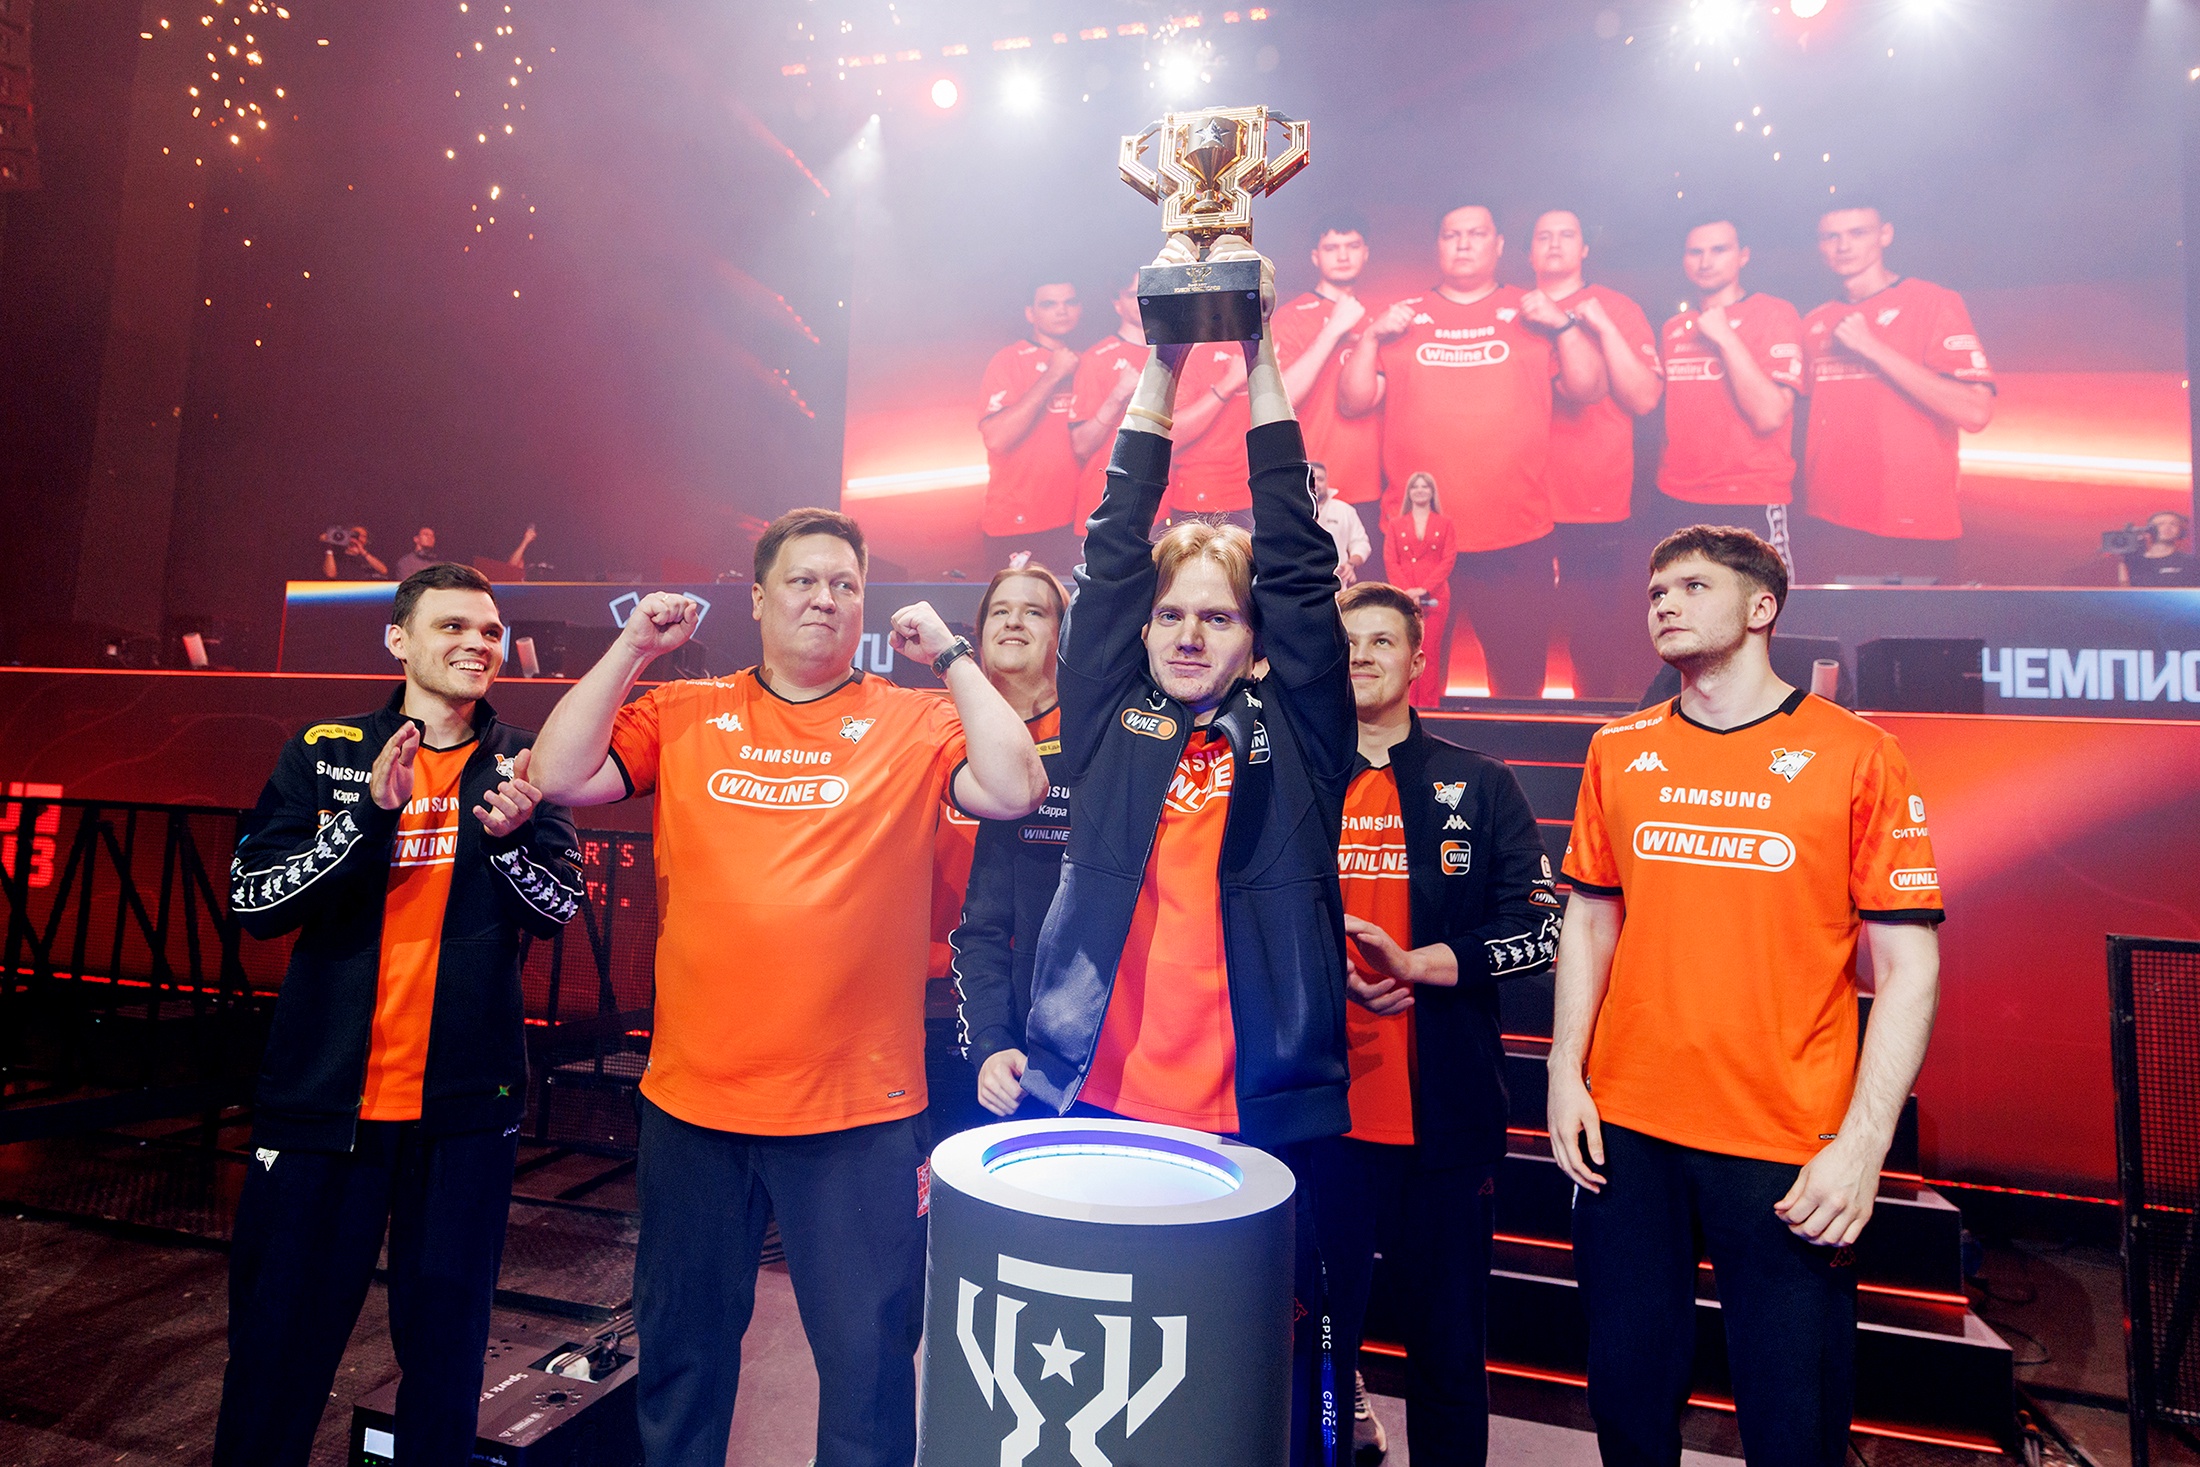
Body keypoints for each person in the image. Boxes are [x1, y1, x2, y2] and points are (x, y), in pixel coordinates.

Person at [525, 508, 1047, 1467]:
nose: (825, 598)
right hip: (695, 1107)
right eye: (803, 580)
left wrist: (953, 657)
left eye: (846, 584)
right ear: (760, 599)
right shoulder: (686, 709)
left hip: (858, 1113)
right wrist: (633, 647)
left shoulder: (912, 716)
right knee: (681, 1360)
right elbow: (558, 772)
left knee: (868, 1370)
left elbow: (1017, 789)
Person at [984, 233, 1356, 1463]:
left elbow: (1296, 557)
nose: (1190, 635)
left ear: (1256, 638)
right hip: (1096, 1091)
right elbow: (1108, 549)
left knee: (1243, 1401)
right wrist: (1161, 362)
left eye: (1219, 617)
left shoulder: (1298, 731)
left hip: (1255, 1108)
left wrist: (1255, 358)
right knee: (1109, 1382)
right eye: (1172, 615)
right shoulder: (1110, 718)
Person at [1548, 525, 1944, 1467]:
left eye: (1693, 586)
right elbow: (1590, 921)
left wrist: (1863, 1146)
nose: (1665, 603)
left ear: (1762, 607)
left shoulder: (1859, 754)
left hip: (1785, 1142)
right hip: (1627, 1131)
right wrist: (1565, 1070)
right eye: (1657, 591)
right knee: (1627, 1401)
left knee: (1793, 1422)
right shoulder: (1618, 748)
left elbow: (1908, 967)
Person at [216, 563, 584, 1467]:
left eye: (490, 630)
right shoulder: (326, 748)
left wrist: (507, 845)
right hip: (320, 1109)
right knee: (274, 1357)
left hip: (463, 1116)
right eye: (453, 625)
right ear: (399, 639)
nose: (477, 643)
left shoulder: (528, 759)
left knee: (447, 1369)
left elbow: (560, 907)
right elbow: (254, 900)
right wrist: (365, 821)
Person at [1312, 580, 1562, 1467]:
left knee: (1449, 1348)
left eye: (1383, 641)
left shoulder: (1482, 784)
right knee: (1317, 1348)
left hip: (1446, 1122)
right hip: (1318, 1117)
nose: (1362, 655)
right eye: (1347, 641)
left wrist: (1424, 963)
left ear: (1419, 660)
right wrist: (1329, 973)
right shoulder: (1288, 780)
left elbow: (1540, 928)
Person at [1340, 204, 1606, 699]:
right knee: (1410, 684)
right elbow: (1353, 402)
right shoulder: (1402, 316)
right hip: (1417, 539)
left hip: (1516, 532)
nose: (1463, 243)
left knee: (1519, 684)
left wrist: (1564, 325)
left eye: (1476, 233)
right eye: (1451, 234)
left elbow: (1588, 389)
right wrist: (1373, 335)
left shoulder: (1533, 310)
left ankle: (1511, 753)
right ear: (1438, 246)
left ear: (1498, 244)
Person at [926, 562, 1070, 1143]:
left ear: (1062, 633)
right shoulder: (934, 724)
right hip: (917, 1003)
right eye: (1001, 611)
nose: (1014, 621)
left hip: (1016, 1026)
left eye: (1034, 611)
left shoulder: (1088, 743)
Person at [1800, 204, 1996, 581]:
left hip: (1913, 521)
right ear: (1820, 246)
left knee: (1916, 622)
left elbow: (1975, 411)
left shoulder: (1933, 302)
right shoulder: (1814, 322)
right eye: (1831, 237)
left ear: (1885, 235)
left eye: (1858, 233)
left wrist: (1872, 347)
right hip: (1830, 517)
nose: (1844, 246)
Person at [1530, 209, 1664, 700]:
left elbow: (1644, 399)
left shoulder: (1616, 308)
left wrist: (1601, 328)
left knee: (1594, 636)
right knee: (1522, 635)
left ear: (1584, 247)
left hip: (1593, 495)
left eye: (1567, 235)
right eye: (1544, 236)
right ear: (1529, 250)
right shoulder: (1513, 310)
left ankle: (1592, 726)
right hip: (1522, 500)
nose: (1555, 244)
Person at [1653, 218, 1810, 573]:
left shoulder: (1774, 314)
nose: (1705, 261)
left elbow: (1769, 415)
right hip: (1677, 493)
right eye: (1696, 252)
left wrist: (1724, 336)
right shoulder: (1673, 328)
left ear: (1743, 256)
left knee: (1761, 603)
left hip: (1749, 494)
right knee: (1686, 602)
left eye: (1719, 250)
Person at [1274, 214, 1383, 570]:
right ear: (1315, 256)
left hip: (1367, 484)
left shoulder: (1378, 317)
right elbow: (1283, 399)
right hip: (1308, 485)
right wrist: (1334, 328)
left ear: (1365, 253)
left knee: (1363, 594)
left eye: (1352, 246)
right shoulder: (1290, 317)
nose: (1343, 255)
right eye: (1331, 247)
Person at [978, 280, 1085, 571]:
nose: (1062, 311)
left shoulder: (1088, 361)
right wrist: (1053, 375)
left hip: (1075, 521)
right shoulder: (1008, 360)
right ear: (1030, 313)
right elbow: (997, 439)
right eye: (1049, 304)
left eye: (1070, 302)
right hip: (1018, 522)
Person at [1068, 274, 1149, 540]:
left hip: (1158, 500)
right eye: (1131, 294)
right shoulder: (1096, 358)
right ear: (1117, 304)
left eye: (1147, 292)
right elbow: (1081, 445)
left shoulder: (1169, 352)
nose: (1141, 300)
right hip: (1107, 504)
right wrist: (1118, 394)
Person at [1383, 473, 1457, 709]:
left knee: (1429, 652)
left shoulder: (1445, 523)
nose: (1420, 490)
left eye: (1425, 486)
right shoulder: (1396, 524)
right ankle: (1405, 707)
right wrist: (1408, 592)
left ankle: (1428, 706)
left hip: (1435, 597)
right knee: (1405, 653)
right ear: (1409, 492)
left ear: (1432, 492)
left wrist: (1424, 589)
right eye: (1415, 486)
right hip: (1404, 598)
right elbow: (1390, 560)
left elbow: (1448, 559)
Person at [1166, 339, 1255, 528]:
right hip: (1203, 496)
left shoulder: (1260, 344)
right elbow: (1174, 435)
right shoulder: (1190, 352)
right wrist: (1228, 384)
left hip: (1256, 492)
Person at [1313, 460, 1372, 586]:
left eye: (1320, 479)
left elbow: (1361, 543)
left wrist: (1351, 564)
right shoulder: (1293, 511)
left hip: (1337, 584)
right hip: (1303, 583)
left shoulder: (1344, 510)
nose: (1316, 483)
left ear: (1327, 481)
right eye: (1312, 479)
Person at [2120, 510, 2198, 586]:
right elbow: (2124, 589)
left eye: (2173, 524)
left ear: (2181, 531)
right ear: (2149, 529)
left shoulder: (2191, 561)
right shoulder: (2135, 561)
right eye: (2160, 524)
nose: (2167, 527)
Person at [323, 525, 388, 579]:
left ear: (367, 540)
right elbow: (330, 574)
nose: (358, 538)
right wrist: (329, 545)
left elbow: (383, 570)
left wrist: (362, 551)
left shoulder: (370, 556)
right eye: (354, 535)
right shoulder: (337, 554)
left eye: (363, 536)